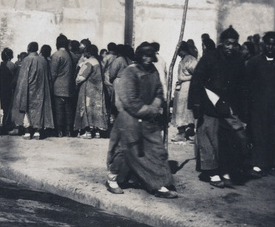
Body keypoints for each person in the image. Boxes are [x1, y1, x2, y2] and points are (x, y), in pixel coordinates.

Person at [105, 42, 177, 198]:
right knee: (125, 150)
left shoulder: (153, 71)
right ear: (139, 56)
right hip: (130, 118)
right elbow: (129, 99)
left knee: (155, 150)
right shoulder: (130, 72)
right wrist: (148, 110)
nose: (148, 59)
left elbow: (159, 91)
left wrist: (156, 106)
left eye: (150, 56)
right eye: (145, 55)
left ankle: (158, 183)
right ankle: (112, 179)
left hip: (149, 119)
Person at [189, 26, 247, 188]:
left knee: (231, 139)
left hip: (228, 106)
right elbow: (197, 81)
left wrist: (241, 108)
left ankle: (226, 169)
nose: (230, 47)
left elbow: (243, 86)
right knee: (208, 138)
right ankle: (213, 172)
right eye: (228, 43)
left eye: (234, 44)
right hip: (209, 104)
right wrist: (196, 104)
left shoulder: (238, 60)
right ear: (222, 43)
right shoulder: (210, 57)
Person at [244, 32, 275, 177]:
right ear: (263, 44)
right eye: (268, 43)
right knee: (259, 135)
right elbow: (247, 85)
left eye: (274, 44)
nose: (270, 47)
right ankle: (258, 164)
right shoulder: (254, 62)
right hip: (258, 107)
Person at [13, 41, 54, 140]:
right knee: (39, 110)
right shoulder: (43, 60)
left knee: (26, 109)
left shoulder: (27, 60)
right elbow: (48, 76)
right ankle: (37, 132)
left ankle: (27, 132)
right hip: (40, 90)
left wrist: (20, 92)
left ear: (28, 48)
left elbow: (23, 78)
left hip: (28, 89)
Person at [74, 44, 108, 138]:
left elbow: (80, 78)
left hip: (88, 90)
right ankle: (97, 131)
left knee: (87, 109)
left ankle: (88, 131)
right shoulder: (99, 62)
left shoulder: (89, 62)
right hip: (98, 90)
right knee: (96, 109)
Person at [171, 40, 198, 144]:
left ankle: (186, 132)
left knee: (185, 110)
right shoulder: (183, 59)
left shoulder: (190, 60)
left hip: (187, 87)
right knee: (180, 109)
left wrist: (188, 79)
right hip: (182, 87)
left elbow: (196, 73)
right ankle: (182, 131)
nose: (178, 53)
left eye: (179, 51)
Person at [50, 34, 76, 137]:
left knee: (59, 110)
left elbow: (53, 73)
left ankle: (59, 131)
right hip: (70, 87)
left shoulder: (57, 55)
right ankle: (69, 131)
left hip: (58, 87)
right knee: (69, 110)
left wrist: (51, 85)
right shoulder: (72, 55)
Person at [0, 47, 16, 132]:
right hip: (8, 89)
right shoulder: (12, 65)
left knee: (0, 106)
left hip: (0, 88)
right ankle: (6, 124)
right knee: (7, 108)